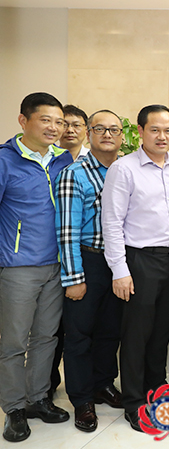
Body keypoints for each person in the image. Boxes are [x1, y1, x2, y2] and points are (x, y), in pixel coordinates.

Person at [101, 104, 169, 433]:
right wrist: (119, 270)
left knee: (161, 332)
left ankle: (157, 387)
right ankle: (134, 402)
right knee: (136, 335)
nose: (161, 136)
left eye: (168, 130)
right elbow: (111, 222)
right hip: (139, 261)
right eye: (155, 130)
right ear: (140, 131)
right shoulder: (124, 169)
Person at [0, 92, 72, 442]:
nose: (54, 128)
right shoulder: (5, 160)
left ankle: (37, 399)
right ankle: (14, 408)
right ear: (23, 120)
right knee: (14, 341)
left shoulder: (62, 159)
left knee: (46, 338)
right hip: (18, 267)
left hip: (57, 264)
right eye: (46, 120)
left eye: (59, 122)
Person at [55, 110, 126, 433]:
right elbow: (66, 231)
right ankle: (82, 399)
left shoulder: (125, 170)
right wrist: (74, 278)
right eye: (100, 129)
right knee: (79, 334)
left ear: (122, 135)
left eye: (114, 129)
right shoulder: (75, 173)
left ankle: (103, 384)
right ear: (89, 133)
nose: (107, 134)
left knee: (111, 330)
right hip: (88, 259)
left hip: (118, 262)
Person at [49, 104, 90, 400]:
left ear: (86, 130)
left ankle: (90, 385)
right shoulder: (48, 161)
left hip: (83, 257)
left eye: (77, 125)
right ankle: (46, 385)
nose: (70, 130)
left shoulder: (98, 162)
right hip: (50, 256)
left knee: (80, 327)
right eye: (65, 124)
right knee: (52, 329)